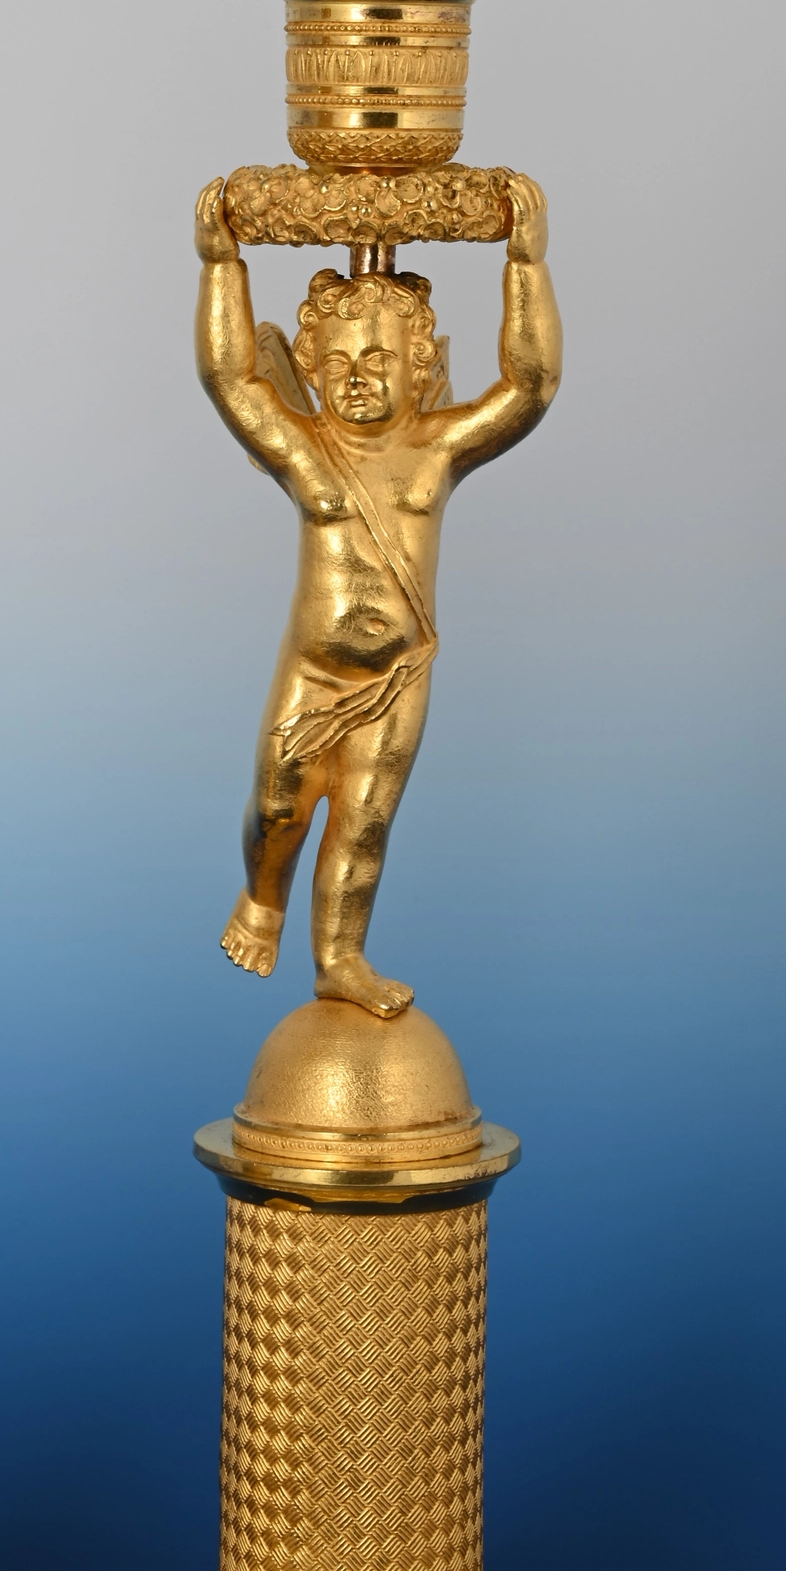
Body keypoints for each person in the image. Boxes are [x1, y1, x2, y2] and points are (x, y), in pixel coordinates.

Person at [194, 172, 560, 1017]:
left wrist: (526, 264)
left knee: (363, 822)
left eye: (379, 360)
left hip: (396, 679)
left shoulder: (436, 450)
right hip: (313, 672)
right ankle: (262, 897)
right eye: (338, 364)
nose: (357, 379)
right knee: (278, 805)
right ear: (313, 371)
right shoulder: (306, 450)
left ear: (419, 364)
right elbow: (231, 379)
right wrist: (220, 264)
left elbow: (529, 386)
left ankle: (340, 957)